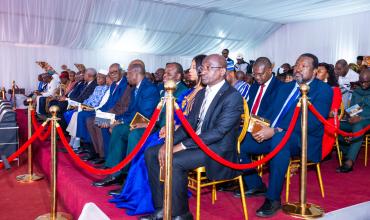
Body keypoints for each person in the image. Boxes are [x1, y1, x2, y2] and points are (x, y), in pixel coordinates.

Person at [141, 54, 243, 220]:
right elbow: (188, 126)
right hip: (198, 143)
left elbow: (218, 132)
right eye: (203, 68)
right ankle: (161, 208)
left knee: (174, 161)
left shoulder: (232, 96)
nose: (203, 71)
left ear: (222, 71)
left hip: (217, 149)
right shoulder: (202, 94)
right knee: (152, 152)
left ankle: (181, 214)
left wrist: (180, 146)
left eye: (209, 68)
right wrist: (169, 142)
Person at [242, 53, 332, 217]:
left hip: (302, 139)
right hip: (274, 134)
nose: (297, 69)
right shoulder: (286, 87)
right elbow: (270, 113)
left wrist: (276, 130)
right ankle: (255, 184)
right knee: (240, 141)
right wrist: (256, 127)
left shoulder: (323, 90)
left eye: (303, 66)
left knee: (279, 140)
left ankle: (273, 198)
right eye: (296, 65)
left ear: (315, 70)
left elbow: (312, 122)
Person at [108, 60, 191, 215]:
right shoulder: (162, 89)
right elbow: (155, 115)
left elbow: (178, 120)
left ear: (179, 76)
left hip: (172, 133)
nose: (165, 75)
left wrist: (152, 126)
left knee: (144, 148)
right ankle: (126, 182)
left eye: (169, 73)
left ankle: (137, 189)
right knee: (131, 136)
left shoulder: (182, 92)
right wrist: (147, 124)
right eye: (165, 72)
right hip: (156, 128)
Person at [92, 62, 160, 187]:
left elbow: (144, 115)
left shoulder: (149, 88)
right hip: (133, 121)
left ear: (135, 73)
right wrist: (119, 121)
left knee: (133, 135)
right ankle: (115, 172)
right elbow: (131, 111)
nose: (126, 75)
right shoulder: (135, 88)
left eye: (127, 73)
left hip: (148, 125)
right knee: (117, 129)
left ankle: (130, 177)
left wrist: (121, 120)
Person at [235, 57, 286, 198]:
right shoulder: (255, 86)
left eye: (260, 74)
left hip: (270, 132)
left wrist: (256, 125)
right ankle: (237, 177)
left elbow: (279, 116)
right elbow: (250, 108)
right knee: (226, 137)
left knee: (238, 145)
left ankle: (255, 184)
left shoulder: (281, 88)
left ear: (270, 70)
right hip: (252, 126)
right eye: (254, 74)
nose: (257, 77)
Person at [83, 63, 132, 162]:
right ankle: (99, 152)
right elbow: (109, 102)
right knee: (90, 120)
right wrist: (100, 111)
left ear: (121, 72)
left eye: (115, 72)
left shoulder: (126, 84)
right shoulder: (114, 84)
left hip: (118, 114)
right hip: (110, 112)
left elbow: (122, 106)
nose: (113, 74)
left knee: (98, 122)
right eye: (111, 73)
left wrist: (106, 114)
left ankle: (105, 155)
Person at [337, 68, 370, 173]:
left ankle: (349, 162)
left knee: (357, 126)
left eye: (366, 82)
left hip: (367, 120)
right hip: (355, 119)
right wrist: (352, 115)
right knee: (335, 126)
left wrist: (361, 117)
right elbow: (352, 108)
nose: (363, 84)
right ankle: (347, 152)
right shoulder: (357, 91)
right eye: (361, 81)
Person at [316, 62, 342, 160]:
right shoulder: (311, 88)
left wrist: (316, 115)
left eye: (319, 71)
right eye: (315, 71)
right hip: (315, 118)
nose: (316, 73)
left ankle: (310, 158)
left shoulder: (334, 90)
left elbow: (333, 112)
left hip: (328, 121)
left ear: (327, 74)